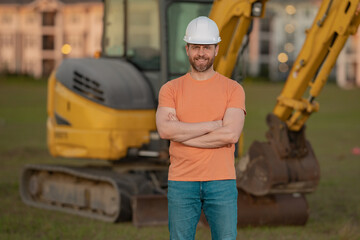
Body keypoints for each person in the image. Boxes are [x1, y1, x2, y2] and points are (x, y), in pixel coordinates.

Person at [156, 16, 246, 240]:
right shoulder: (170, 89)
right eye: (196, 47)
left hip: (222, 181)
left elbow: (231, 134)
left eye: (207, 47)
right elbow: (166, 131)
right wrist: (212, 125)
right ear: (187, 49)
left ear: (216, 49)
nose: (201, 53)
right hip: (182, 182)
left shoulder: (233, 89)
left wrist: (183, 135)